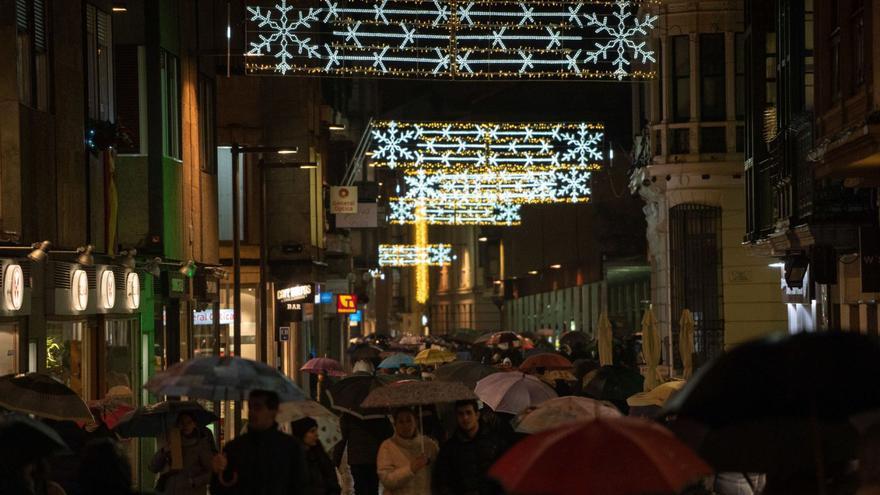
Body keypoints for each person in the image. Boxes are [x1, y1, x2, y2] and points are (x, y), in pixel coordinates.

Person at [210, 390, 307, 495]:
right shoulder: (234, 448)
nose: (251, 412)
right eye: (250, 407)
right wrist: (217, 473)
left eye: (257, 407)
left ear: (273, 411)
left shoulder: (290, 448)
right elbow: (220, 490)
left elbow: (300, 487)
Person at [433, 400, 508, 495]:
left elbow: (505, 473)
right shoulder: (449, 449)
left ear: (477, 415)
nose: (465, 418)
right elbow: (443, 480)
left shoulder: (495, 441)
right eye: (461, 414)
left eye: (468, 413)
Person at [377, 408, 439, 495]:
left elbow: (438, 475)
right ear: (395, 424)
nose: (405, 425)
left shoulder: (429, 445)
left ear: (416, 422)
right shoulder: (387, 446)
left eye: (409, 420)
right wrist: (411, 469)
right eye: (401, 422)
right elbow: (387, 480)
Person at [150, 412, 213, 494]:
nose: (185, 425)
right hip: (170, 490)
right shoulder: (171, 441)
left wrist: (194, 481)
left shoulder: (201, 445)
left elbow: (211, 472)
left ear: (194, 424)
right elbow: (153, 467)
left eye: (189, 422)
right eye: (182, 422)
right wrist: (163, 451)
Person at [291, 417, 341, 495]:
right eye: (312, 431)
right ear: (301, 433)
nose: (317, 434)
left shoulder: (319, 453)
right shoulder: (293, 458)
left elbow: (331, 479)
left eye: (316, 430)